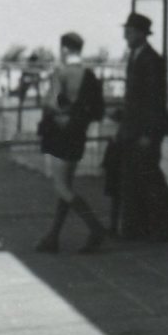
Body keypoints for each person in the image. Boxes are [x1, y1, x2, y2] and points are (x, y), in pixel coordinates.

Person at [35, 31, 107, 254]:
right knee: (66, 186)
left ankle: (95, 227)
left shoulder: (62, 72)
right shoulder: (89, 75)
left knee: (61, 187)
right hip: (78, 134)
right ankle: (53, 236)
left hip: (60, 135)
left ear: (65, 49)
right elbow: (98, 110)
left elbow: (52, 103)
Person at [116, 12, 168, 241]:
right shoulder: (136, 57)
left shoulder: (151, 59)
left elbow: (154, 100)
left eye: (129, 32)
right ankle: (139, 228)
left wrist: (148, 133)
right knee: (135, 178)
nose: (125, 36)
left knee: (149, 177)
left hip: (145, 131)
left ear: (140, 34)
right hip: (133, 129)